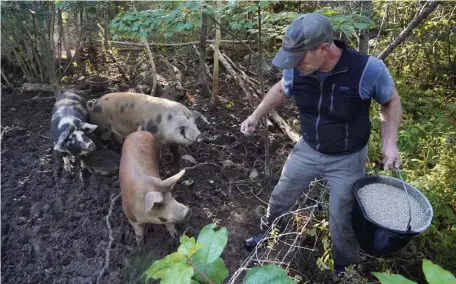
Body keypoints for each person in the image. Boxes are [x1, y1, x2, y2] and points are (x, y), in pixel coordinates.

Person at [240, 12, 402, 274]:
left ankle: (345, 269)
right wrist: (255, 115)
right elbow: (281, 89)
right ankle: (269, 235)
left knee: (341, 218)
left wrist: (390, 144)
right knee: (281, 196)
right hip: (308, 149)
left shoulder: (367, 70)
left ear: (324, 49)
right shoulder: (297, 69)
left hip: (347, 158)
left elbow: (390, 101)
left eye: (299, 57)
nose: (293, 64)